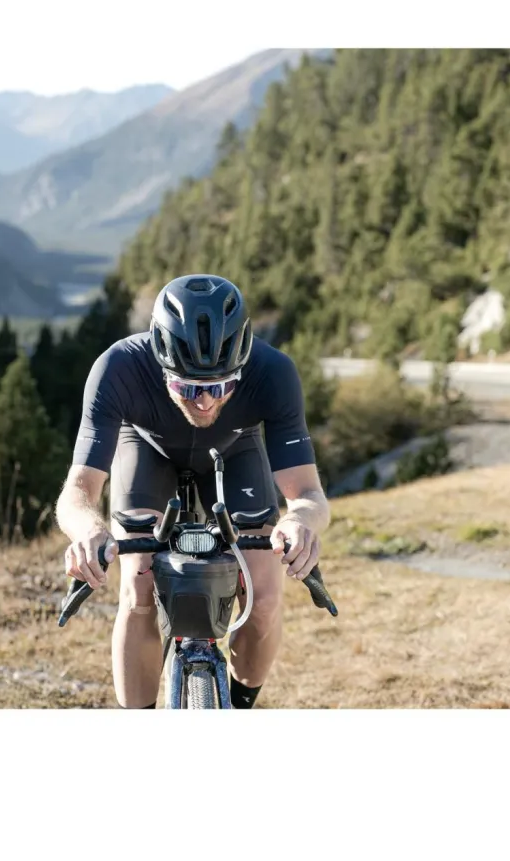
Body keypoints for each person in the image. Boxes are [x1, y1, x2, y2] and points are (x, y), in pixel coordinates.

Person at [55, 273, 331, 709]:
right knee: (138, 589)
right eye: (186, 387)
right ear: (160, 361)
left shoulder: (273, 372)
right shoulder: (117, 368)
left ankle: (238, 706)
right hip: (145, 447)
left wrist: (299, 522)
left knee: (264, 598)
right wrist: (88, 530)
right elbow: (78, 491)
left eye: (221, 387)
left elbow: (309, 495)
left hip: (234, 449)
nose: (204, 402)